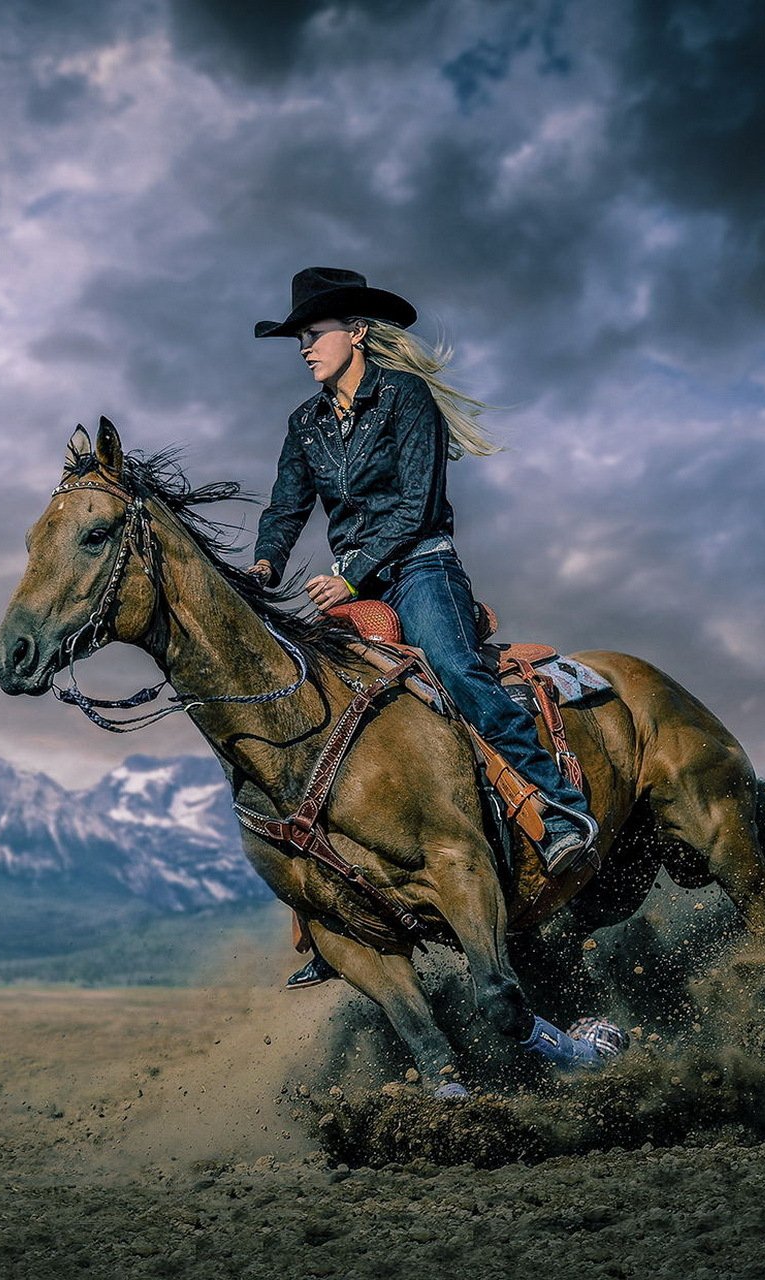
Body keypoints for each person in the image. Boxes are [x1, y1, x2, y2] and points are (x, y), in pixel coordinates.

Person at [245, 267, 598, 991]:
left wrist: (349, 575)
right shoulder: (305, 424)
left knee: (455, 666)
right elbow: (286, 506)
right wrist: (265, 562)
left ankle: (561, 812)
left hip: (421, 565)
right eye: (300, 339)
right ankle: (332, 908)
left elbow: (416, 506)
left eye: (314, 334)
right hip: (357, 587)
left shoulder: (407, 398)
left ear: (356, 333)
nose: (304, 348)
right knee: (310, 703)